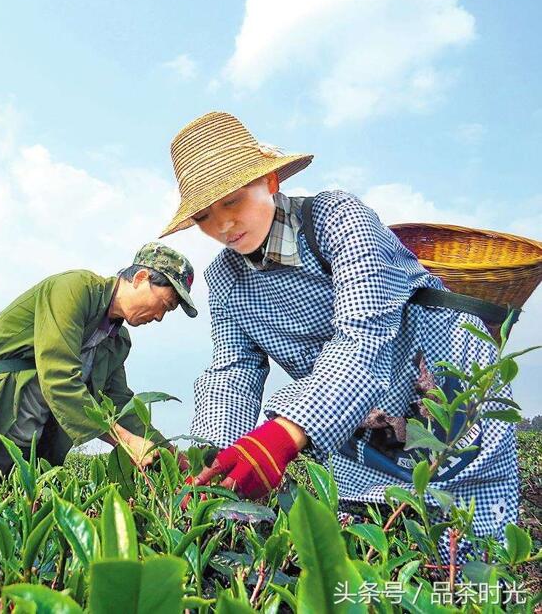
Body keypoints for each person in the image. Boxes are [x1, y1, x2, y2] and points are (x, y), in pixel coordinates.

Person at [163, 111, 517, 558]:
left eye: (232, 201)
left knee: (475, 562)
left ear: (270, 181)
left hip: (444, 400)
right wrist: (215, 456)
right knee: (381, 563)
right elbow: (233, 371)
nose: (223, 226)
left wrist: (283, 434)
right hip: (364, 429)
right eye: (204, 216)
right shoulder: (227, 280)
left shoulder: (337, 220)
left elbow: (364, 337)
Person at [0, 242, 198, 482]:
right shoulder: (75, 290)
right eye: (164, 304)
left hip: (27, 445)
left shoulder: (117, 339)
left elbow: (119, 403)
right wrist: (125, 439)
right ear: (141, 278)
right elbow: (59, 378)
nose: (160, 317)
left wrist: (172, 455)